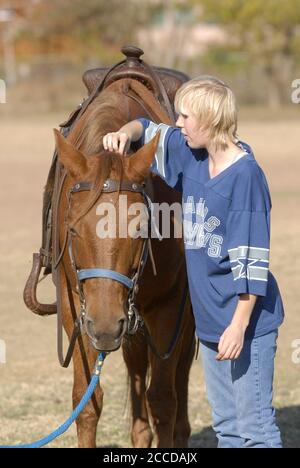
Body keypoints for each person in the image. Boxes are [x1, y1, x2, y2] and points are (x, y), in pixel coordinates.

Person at [102, 76, 284, 448]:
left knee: (256, 431)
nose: (179, 123)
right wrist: (124, 131)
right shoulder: (193, 156)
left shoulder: (245, 176)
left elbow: (251, 261)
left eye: (185, 117)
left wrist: (238, 326)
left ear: (210, 120)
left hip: (244, 325)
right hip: (212, 322)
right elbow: (147, 129)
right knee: (228, 428)